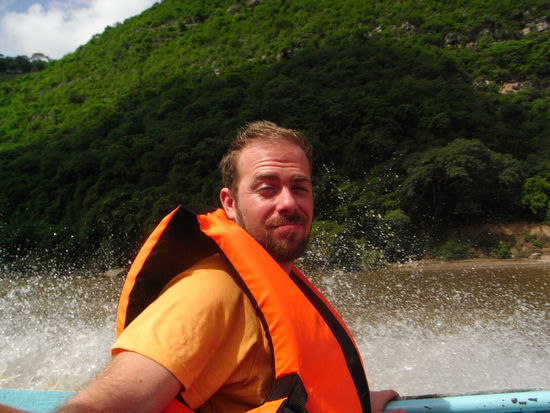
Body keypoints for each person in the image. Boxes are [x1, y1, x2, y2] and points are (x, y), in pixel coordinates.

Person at [3, 121, 402, 413]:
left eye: (300, 187)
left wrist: (354, 403)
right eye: (267, 188)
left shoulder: (279, 284)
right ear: (229, 203)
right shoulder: (212, 293)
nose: (288, 202)